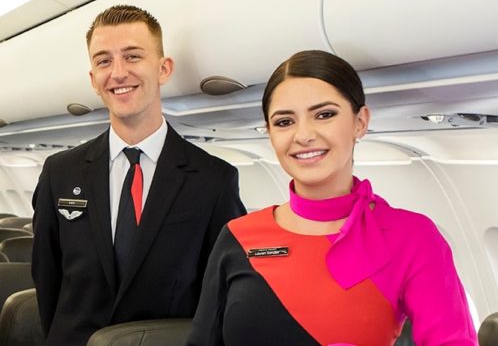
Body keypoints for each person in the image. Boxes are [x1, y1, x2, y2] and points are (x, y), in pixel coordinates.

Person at [186, 50, 477, 345]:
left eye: (324, 115)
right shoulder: (238, 236)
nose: (304, 135)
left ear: (360, 122)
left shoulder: (412, 237)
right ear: (270, 134)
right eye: (285, 122)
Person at [31, 4, 246, 345]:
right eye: (104, 60)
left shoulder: (213, 180)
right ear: (93, 79)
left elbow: (219, 294)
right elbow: (48, 280)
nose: (117, 73)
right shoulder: (60, 172)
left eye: (132, 56)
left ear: (163, 68)